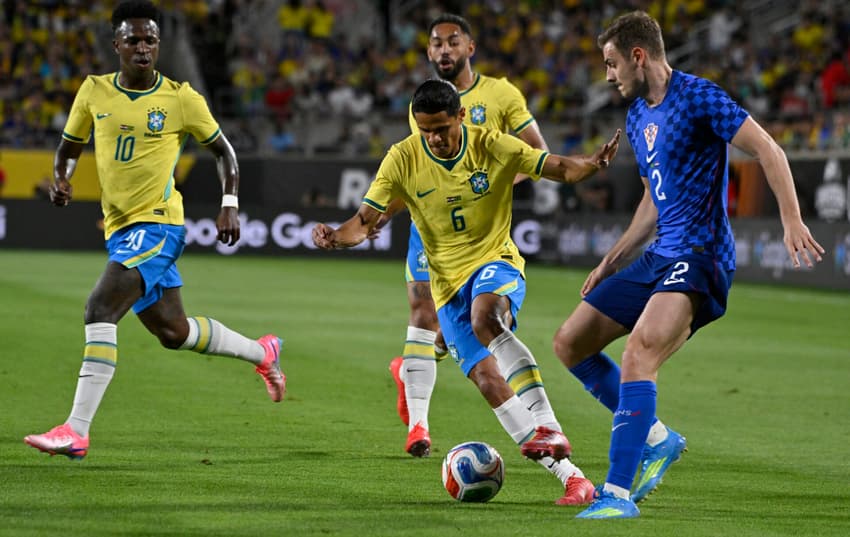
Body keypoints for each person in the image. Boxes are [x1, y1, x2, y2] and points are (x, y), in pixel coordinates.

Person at [550, 11, 824, 519]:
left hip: (700, 256)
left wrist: (790, 220)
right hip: (659, 256)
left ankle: (616, 494)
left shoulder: (698, 97)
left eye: (611, 64)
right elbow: (656, 199)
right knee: (570, 342)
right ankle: (655, 438)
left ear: (638, 56)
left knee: (639, 354)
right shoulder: (635, 116)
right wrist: (612, 260)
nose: (607, 76)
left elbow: (767, 148)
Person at [313, 78, 620, 505]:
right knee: (488, 380)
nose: (435, 138)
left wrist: (592, 164)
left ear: (461, 115)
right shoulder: (402, 158)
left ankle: (549, 426)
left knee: (486, 319)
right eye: (426, 130)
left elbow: (558, 168)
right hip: (446, 286)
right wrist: (335, 237)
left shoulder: (492, 145)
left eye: (442, 128)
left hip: (496, 261)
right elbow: (365, 221)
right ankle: (574, 479)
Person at [24, 0, 286, 461]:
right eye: (134, 40)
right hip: (121, 227)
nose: (143, 48)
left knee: (99, 308)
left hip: (159, 224)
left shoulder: (182, 99)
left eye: (150, 40)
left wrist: (230, 204)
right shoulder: (93, 91)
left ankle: (76, 430)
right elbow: (69, 146)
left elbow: (225, 153)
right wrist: (62, 178)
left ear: (158, 45)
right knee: (173, 330)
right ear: (116, 45)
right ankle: (262, 352)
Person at [387, 13, 553, 462]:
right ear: (428, 52)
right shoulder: (423, 103)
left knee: (474, 327)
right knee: (422, 313)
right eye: (436, 43)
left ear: (470, 47)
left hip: (481, 233)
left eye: (452, 42)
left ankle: (415, 366)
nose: (444, 50)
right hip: (433, 231)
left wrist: (490, 184)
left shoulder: (500, 94)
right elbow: (420, 166)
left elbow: (536, 152)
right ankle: (418, 426)